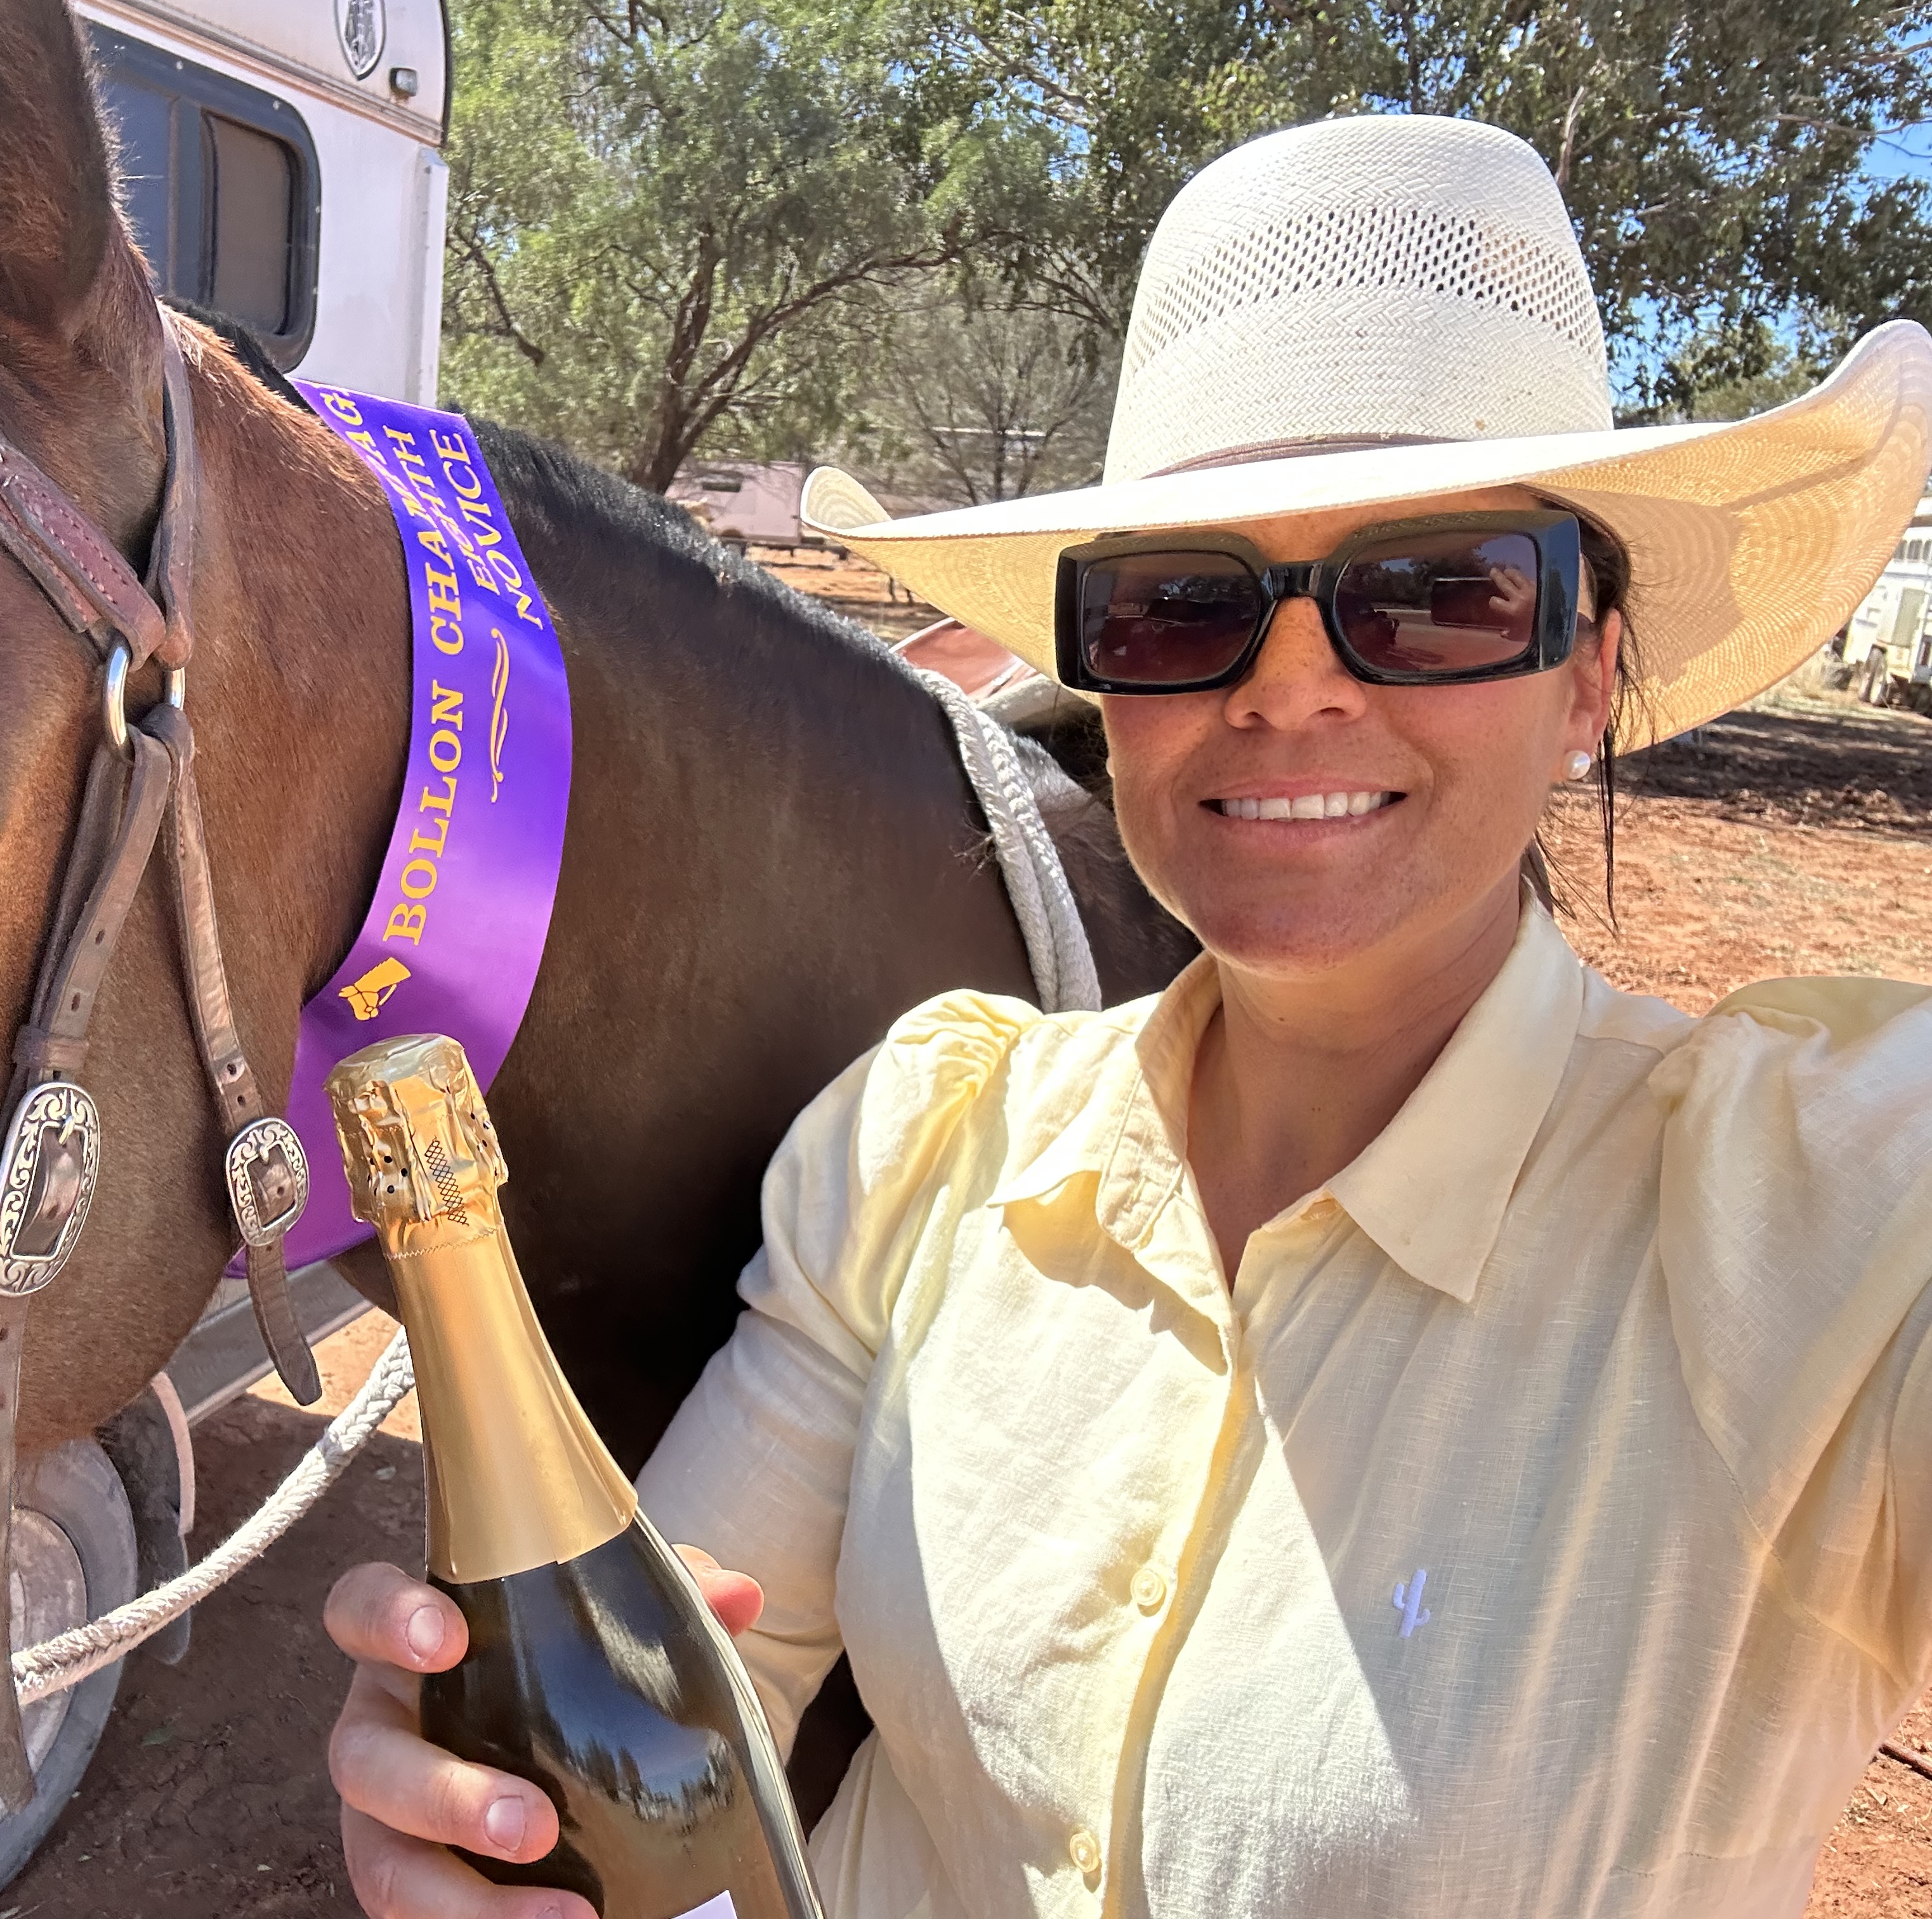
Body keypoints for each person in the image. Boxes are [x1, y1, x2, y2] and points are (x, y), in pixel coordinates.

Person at [320, 112, 1932, 1918]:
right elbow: (696, 1692)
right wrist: (514, 1806)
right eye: (1181, 605)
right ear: (1104, 684)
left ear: (1588, 675)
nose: (1290, 692)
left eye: (1435, 593)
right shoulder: (926, 1142)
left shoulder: (1822, 1222)